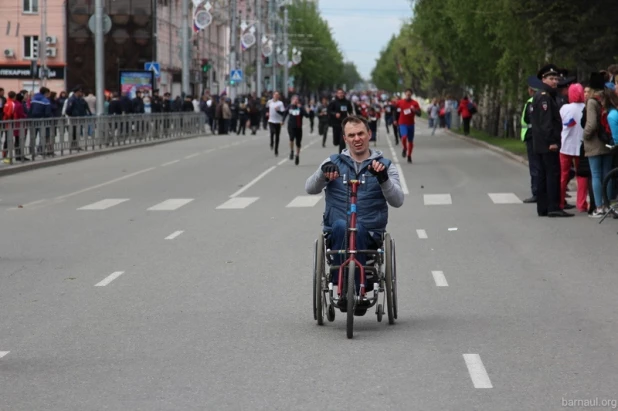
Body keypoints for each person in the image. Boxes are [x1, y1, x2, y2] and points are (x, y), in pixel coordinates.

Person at [305, 115, 404, 312]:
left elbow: (398, 201)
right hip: (337, 229)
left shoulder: (384, 165)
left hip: (370, 232)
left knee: (356, 229)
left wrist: (383, 179)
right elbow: (310, 188)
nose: (357, 139)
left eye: (360, 133)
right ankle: (345, 288)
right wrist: (323, 174)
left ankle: (359, 288)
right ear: (345, 138)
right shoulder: (333, 161)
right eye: (351, 135)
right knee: (343, 226)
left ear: (369, 134)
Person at [530, 63, 573, 217]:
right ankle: (553, 207)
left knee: (543, 175)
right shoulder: (545, 97)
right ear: (543, 79)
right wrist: (552, 142)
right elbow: (546, 123)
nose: (555, 81)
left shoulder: (542, 95)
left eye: (556, 79)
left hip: (540, 144)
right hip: (548, 144)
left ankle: (543, 208)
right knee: (552, 174)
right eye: (551, 78)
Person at [521, 76, 543, 203]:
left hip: (532, 137)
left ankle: (536, 192)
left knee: (535, 166)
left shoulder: (531, 102)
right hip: (536, 136)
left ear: (531, 90)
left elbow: (530, 120)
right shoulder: (539, 100)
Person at [392, 88, 421, 163]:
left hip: (411, 124)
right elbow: (395, 111)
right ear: (405, 94)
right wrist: (395, 119)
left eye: (409, 94)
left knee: (410, 141)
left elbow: (419, 114)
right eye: (407, 94)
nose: (408, 95)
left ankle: (409, 155)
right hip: (402, 123)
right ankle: (405, 148)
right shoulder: (400, 102)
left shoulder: (415, 103)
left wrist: (415, 110)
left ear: (411, 94)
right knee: (404, 137)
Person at [284, 95, 308, 165]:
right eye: (294, 99)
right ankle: (291, 151)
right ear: (292, 100)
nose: (295, 101)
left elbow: (306, 115)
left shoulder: (301, 108)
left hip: (298, 127)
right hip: (291, 126)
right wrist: (282, 120)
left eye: (296, 99)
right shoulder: (289, 107)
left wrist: (305, 110)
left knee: (298, 143)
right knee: (291, 139)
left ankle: (297, 155)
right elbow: (285, 113)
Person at [327, 88, 353, 153]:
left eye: (342, 93)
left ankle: (341, 155)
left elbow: (350, 110)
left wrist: (351, 115)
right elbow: (329, 111)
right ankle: (336, 142)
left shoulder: (347, 102)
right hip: (335, 123)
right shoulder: (333, 102)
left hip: (344, 123)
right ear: (337, 94)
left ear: (344, 94)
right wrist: (335, 114)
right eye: (339, 93)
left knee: (342, 140)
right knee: (336, 142)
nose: (340, 94)